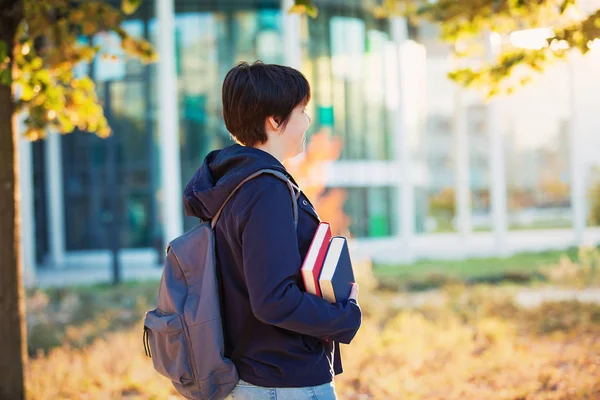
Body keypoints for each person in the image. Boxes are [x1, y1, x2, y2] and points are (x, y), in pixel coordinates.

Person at [183, 61, 362, 400]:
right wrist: (344, 316)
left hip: (257, 377)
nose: (307, 121)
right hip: (284, 382)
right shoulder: (266, 190)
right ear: (275, 120)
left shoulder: (234, 184)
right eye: (301, 111)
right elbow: (273, 300)